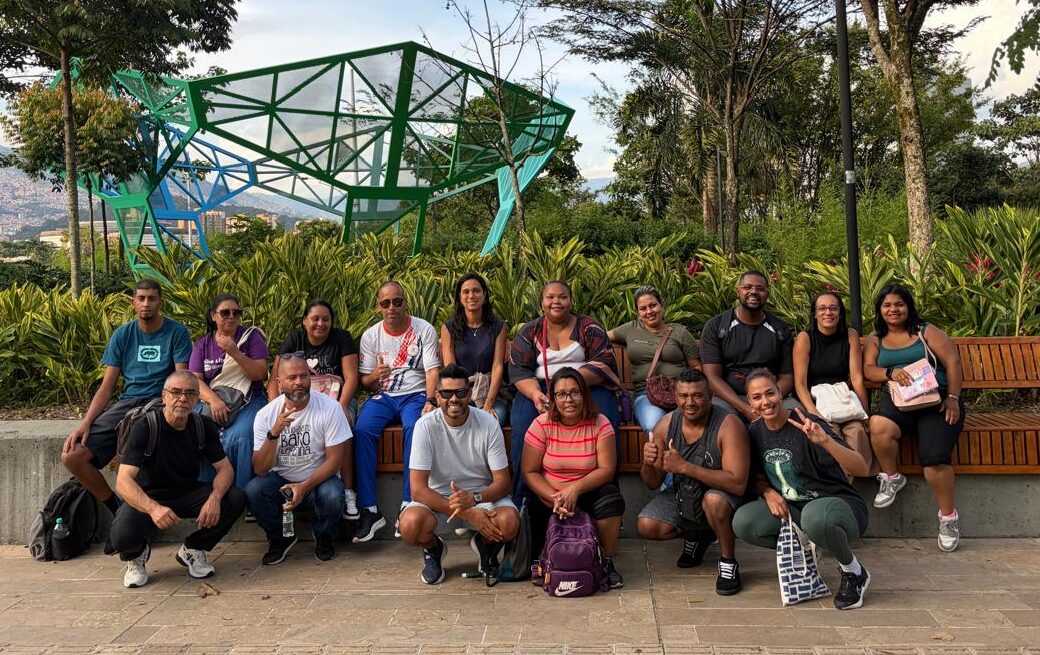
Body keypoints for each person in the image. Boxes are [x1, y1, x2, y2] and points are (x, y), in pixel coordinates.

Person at [732, 369, 872, 610]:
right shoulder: (754, 432)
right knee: (744, 521)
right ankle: (807, 552)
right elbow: (755, 475)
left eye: (770, 393)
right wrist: (767, 492)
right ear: (750, 404)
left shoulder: (807, 423)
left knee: (815, 518)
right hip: (795, 509)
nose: (766, 402)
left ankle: (854, 572)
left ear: (780, 393)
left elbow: (861, 467)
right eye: (757, 397)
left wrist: (825, 441)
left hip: (839, 507)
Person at [61, 279, 192, 516]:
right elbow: (107, 386)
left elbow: (181, 380)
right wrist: (85, 423)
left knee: (146, 442)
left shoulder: (177, 332)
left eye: (151, 298)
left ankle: (146, 511)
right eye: (141, 298)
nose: (146, 304)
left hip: (160, 402)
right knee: (73, 456)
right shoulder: (123, 335)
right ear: (133, 303)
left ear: (160, 302)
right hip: (127, 404)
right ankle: (116, 507)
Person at [111, 371, 246, 589]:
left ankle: (193, 549)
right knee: (121, 536)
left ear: (197, 399)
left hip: (187, 492)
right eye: (175, 392)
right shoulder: (145, 426)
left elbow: (225, 470)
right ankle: (136, 557)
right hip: (148, 497)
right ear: (164, 396)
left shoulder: (203, 426)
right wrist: (153, 509)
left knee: (235, 498)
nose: (182, 399)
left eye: (190, 393)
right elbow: (123, 481)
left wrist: (214, 498)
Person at [863, 285, 965, 552]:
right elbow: (869, 369)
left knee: (933, 461)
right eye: (887, 305)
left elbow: (953, 362)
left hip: (937, 400)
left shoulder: (926, 332)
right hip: (901, 401)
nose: (893, 310)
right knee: (878, 424)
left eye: (899, 304)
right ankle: (892, 476)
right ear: (880, 310)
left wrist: (953, 398)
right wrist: (890, 372)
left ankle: (947, 518)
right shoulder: (876, 339)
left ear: (908, 307)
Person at [398, 364, 519, 586]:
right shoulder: (424, 426)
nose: (454, 399)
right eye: (446, 393)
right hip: (440, 501)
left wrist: (475, 499)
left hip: (480, 497)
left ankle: (486, 546)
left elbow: (503, 483)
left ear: (470, 394)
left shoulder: (488, 423)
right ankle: (433, 549)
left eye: (460, 393)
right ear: (437, 396)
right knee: (409, 526)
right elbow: (417, 489)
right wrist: (468, 513)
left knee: (509, 522)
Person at [637, 368, 749, 595]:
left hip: (723, 495)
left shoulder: (729, 425)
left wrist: (685, 467)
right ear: (675, 397)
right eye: (684, 396)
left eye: (697, 395)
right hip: (685, 494)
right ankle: (698, 535)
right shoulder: (666, 424)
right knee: (647, 525)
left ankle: (728, 562)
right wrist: (648, 462)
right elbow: (651, 483)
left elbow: (738, 483)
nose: (690, 402)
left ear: (710, 395)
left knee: (714, 501)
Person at [510, 280, 620, 497]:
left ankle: (607, 496)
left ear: (570, 301)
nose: (556, 301)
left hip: (587, 385)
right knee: (522, 427)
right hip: (541, 387)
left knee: (606, 420)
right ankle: (523, 501)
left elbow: (605, 361)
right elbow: (518, 370)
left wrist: (567, 386)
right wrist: (536, 394)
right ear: (542, 302)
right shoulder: (530, 331)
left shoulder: (589, 327)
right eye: (550, 297)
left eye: (562, 296)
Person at [521, 367, 626, 590]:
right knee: (530, 503)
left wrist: (575, 489)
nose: (569, 399)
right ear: (553, 398)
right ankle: (547, 562)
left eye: (575, 392)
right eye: (561, 394)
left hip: (587, 491)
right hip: (549, 497)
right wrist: (555, 496)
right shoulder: (541, 425)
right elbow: (529, 471)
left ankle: (605, 562)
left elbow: (607, 469)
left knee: (611, 498)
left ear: (584, 395)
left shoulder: (600, 423)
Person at [353, 281, 441, 543]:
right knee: (362, 430)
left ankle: (408, 501)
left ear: (406, 302)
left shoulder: (423, 329)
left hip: (415, 395)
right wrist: (374, 376)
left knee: (415, 427)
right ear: (379, 307)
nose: (392, 308)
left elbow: (432, 370)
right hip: (384, 397)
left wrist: (431, 399)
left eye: (397, 301)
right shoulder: (371, 335)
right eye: (386, 303)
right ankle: (370, 510)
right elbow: (365, 383)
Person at [247, 354, 352, 564]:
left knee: (333, 495)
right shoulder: (266, 415)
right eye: (292, 377)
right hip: (281, 480)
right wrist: (274, 434)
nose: (299, 382)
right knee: (254, 490)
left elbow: (335, 462)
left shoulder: (330, 408)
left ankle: (324, 536)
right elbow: (260, 469)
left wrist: (304, 486)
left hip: (318, 479)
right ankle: (279, 539)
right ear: (279, 382)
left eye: (304, 376)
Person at [269, 299, 361, 519]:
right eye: (315, 319)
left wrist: (341, 408)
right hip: (300, 399)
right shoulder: (294, 339)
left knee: (344, 428)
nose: (320, 323)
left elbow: (351, 378)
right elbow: (275, 379)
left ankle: (348, 491)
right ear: (304, 322)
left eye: (326, 319)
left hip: (337, 398)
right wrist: (274, 408)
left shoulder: (342, 338)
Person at [190, 294, 268, 490]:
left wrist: (234, 352)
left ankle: (243, 492)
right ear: (213, 316)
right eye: (225, 313)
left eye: (236, 313)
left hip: (249, 399)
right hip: (212, 398)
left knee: (241, 436)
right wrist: (214, 400)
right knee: (198, 431)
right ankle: (206, 488)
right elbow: (195, 381)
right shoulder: (203, 344)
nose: (231, 317)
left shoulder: (251, 338)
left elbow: (259, 374)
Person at [792, 291, 873, 479]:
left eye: (832, 308)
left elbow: (857, 378)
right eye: (822, 308)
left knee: (857, 431)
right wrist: (814, 414)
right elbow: (800, 384)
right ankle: (839, 486)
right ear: (814, 313)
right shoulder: (805, 338)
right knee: (830, 433)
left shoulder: (850, 335)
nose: (827, 312)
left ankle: (850, 481)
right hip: (817, 401)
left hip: (843, 399)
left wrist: (864, 412)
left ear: (840, 313)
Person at [700, 271, 796, 422]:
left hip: (771, 396)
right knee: (721, 419)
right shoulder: (717, 326)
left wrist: (767, 402)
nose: (753, 292)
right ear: (738, 291)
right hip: (730, 398)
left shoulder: (779, 329)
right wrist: (745, 408)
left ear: (767, 293)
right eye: (747, 287)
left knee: (797, 414)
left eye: (760, 288)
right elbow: (712, 377)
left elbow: (787, 376)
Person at [609, 285, 701, 435]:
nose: (649, 311)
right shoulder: (631, 329)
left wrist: (691, 392)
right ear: (637, 313)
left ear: (662, 306)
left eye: (653, 305)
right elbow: (600, 335)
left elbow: (697, 367)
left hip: (681, 394)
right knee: (655, 426)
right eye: (643, 308)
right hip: (646, 395)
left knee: (690, 424)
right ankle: (663, 458)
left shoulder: (679, 332)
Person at [440, 273, 509, 426]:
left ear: (484, 295)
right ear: (459, 297)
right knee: (455, 422)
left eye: (476, 291)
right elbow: (451, 370)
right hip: (459, 393)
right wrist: (460, 397)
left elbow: (498, 367)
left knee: (490, 423)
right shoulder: (449, 329)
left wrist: (489, 404)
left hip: (491, 392)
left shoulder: (498, 327)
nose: (471, 295)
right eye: (466, 292)